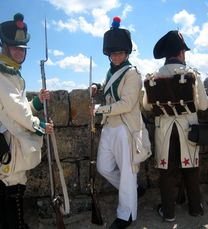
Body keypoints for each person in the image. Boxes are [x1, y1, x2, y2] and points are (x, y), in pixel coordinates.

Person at [0, 13, 53, 229]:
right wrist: (40, 126)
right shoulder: (2, 71)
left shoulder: (9, 71)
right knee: (13, 183)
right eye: (14, 47)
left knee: (8, 183)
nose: (19, 52)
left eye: (22, 48)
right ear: (4, 47)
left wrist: (37, 102)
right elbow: (16, 109)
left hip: (8, 132)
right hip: (9, 135)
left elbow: (20, 105)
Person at [91, 16, 151, 229]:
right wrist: (97, 86)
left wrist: (101, 109)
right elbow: (108, 86)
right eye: (112, 53)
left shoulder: (132, 74)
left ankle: (125, 215)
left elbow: (126, 104)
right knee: (103, 167)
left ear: (126, 53)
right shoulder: (111, 72)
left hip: (126, 127)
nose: (116, 56)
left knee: (127, 174)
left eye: (119, 53)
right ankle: (133, 190)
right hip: (110, 127)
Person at [143, 30, 208, 222]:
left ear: (166, 54)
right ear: (181, 53)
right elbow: (204, 105)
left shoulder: (153, 77)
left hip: (164, 131)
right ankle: (195, 209)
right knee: (191, 169)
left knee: (167, 172)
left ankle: (169, 213)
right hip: (189, 129)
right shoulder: (192, 74)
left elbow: (146, 106)